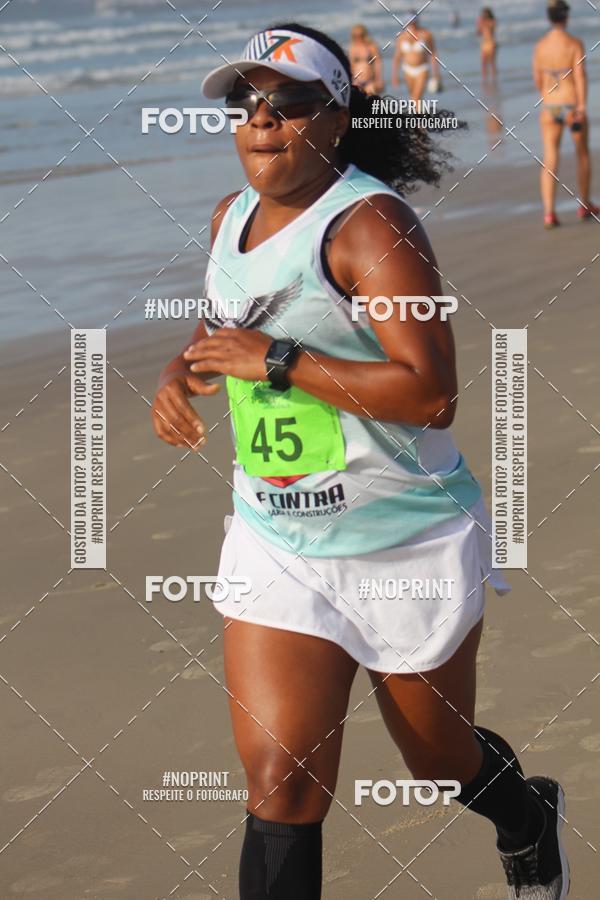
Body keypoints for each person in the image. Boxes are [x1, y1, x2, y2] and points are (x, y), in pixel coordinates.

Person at [152, 21, 570, 900]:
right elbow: (230, 317)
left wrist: (275, 361)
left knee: (439, 761)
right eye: (245, 102)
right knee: (281, 778)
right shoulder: (231, 217)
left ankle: (526, 817)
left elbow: (430, 393)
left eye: (290, 101)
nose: (262, 119)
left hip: (402, 540)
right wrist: (183, 369)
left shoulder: (372, 224)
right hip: (280, 541)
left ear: (336, 118)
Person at [533, 0, 598, 227]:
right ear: (566, 17)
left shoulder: (540, 46)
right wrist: (582, 107)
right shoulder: (574, 44)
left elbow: (538, 80)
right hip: (571, 104)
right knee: (582, 154)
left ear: (549, 18)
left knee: (550, 158)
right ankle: (585, 204)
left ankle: (549, 213)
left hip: (550, 106)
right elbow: (580, 76)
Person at [392, 11, 440, 103]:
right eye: (409, 21)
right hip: (407, 69)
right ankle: (418, 116)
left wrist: (436, 74)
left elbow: (433, 53)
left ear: (417, 21)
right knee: (413, 97)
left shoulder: (426, 34)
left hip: (422, 68)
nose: (412, 24)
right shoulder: (401, 37)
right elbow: (397, 57)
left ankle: (416, 116)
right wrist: (395, 75)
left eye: (413, 21)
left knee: (416, 97)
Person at [348, 23, 383, 95]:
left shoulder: (371, 46)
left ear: (365, 35)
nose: (358, 37)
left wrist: (379, 79)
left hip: (370, 81)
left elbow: (378, 63)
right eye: (355, 35)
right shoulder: (352, 48)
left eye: (360, 35)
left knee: (371, 102)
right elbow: (351, 65)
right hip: (356, 81)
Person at [477, 7, 498, 83]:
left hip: (491, 42)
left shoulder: (492, 21)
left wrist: (483, 22)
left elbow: (492, 27)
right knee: (483, 63)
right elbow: (478, 33)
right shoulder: (481, 22)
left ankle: (494, 79)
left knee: (492, 62)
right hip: (484, 43)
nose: (484, 15)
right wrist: (479, 24)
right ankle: (484, 79)